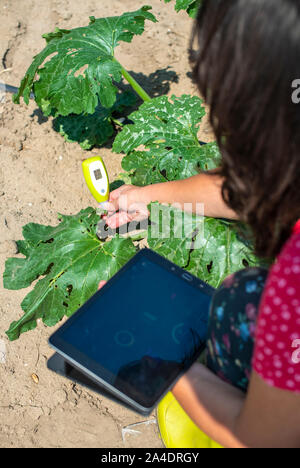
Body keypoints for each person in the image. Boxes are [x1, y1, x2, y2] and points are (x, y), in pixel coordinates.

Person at [99, 0, 300, 448]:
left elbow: (260, 439)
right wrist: (149, 198)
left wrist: (159, 355)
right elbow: (259, 186)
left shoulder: (296, 283)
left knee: (239, 301)